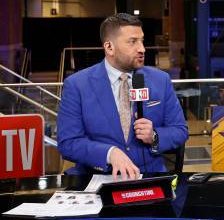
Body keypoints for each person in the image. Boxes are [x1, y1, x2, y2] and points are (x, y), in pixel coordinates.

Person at [57, 13, 188, 178]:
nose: (142, 49)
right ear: (109, 47)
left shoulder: (160, 80)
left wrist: (154, 136)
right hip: (98, 177)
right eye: (133, 42)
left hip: (150, 177)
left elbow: (180, 130)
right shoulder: (77, 85)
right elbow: (68, 143)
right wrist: (109, 153)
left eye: (142, 41)